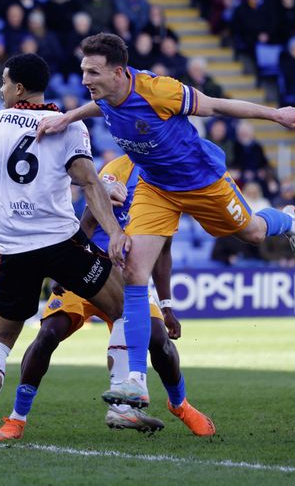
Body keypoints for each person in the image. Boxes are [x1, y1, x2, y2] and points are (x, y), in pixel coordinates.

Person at [37, 32, 295, 409]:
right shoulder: (104, 97)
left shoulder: (158, 91)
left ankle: (288, 220)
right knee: (134, 271)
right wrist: (66, 117)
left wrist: (274, 114)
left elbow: (215, 106)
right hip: (156, 189)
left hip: (203, 182)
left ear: (118, 72)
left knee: (252, 232)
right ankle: (135, 380)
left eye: (93, 72)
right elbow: (98, 109)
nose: (85, 79)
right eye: (83, 70)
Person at [0, 53, 128, 444]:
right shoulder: (66, 125)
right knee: (123, 306)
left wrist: (13, 196)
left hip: (13, 249)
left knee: (1, 338)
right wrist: (114, 232)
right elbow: (89, 183)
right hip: (60, 242)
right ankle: (123, 401)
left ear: (18, 88)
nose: (1, 89)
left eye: (4, 82)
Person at [32, 147, 217, 436]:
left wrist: (167, 306)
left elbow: (163, 248)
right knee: (48, 333)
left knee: (160, 341)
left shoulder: (170, 180)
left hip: (130, 281)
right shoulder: (118, 170)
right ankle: (17, 416)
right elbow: (89, 223)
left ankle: (179, 404)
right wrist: (67, 268)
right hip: (90, 271)